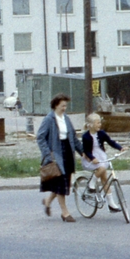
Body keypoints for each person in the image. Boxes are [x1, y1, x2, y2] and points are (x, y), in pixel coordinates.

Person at [36, 94, 83, 222]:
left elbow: (73, 137)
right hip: (56, 153)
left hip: (67, 151)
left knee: (63, 183)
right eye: (62, 105)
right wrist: (48, 154)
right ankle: (65, 213)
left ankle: (47, 201)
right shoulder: (49, 119)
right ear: (56, 105)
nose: (64, 108)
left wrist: (83, 153)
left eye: (65, 105)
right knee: (61, 182)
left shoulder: (66, 118)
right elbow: (40, 137)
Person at [80, 113, 124, 212]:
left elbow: (110, 142)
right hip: (90, 158)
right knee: (102, 168)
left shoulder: (102, 133)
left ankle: (111, 204)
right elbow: (86, 150)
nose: (99, 125)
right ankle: (91, 183)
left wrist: (120, 148)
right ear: (90, 125)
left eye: (100, 122)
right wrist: (92, 158)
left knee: (104, 179)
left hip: (100, 155)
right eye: (97, 123)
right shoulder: (86, 136)